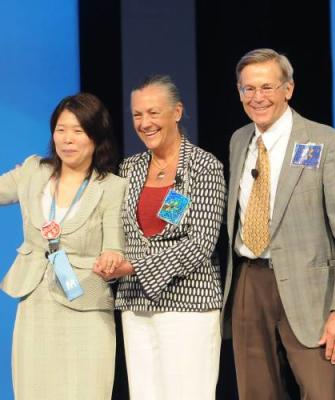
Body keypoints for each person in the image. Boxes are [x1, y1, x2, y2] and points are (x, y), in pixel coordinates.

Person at [0, 93, 127, 400]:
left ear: (96, 136)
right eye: (61, 130)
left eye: (77, 131)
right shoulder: (34, 171)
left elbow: (114, 247)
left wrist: (112, 259)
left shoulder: (112, 186)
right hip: (36, 301)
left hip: (86, 306)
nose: (67, 139)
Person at [223, 48, 335, 400]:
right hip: (249, 282)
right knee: (256, 393)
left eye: (267, 87)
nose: (258, 98)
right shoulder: (239, 140)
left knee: (320, 392)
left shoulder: (326, 143)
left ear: (288, 89)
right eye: (248, 89)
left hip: (311, 292)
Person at [97, 75, 226, 400]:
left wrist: (134, 267)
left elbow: (200, 244)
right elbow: (116, 231)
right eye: (137, 115)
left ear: (177, 112)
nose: (145, 123)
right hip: (136, 305)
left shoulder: (204, 167)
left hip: (188, 305)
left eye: (153, 113)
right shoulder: (129, 169)